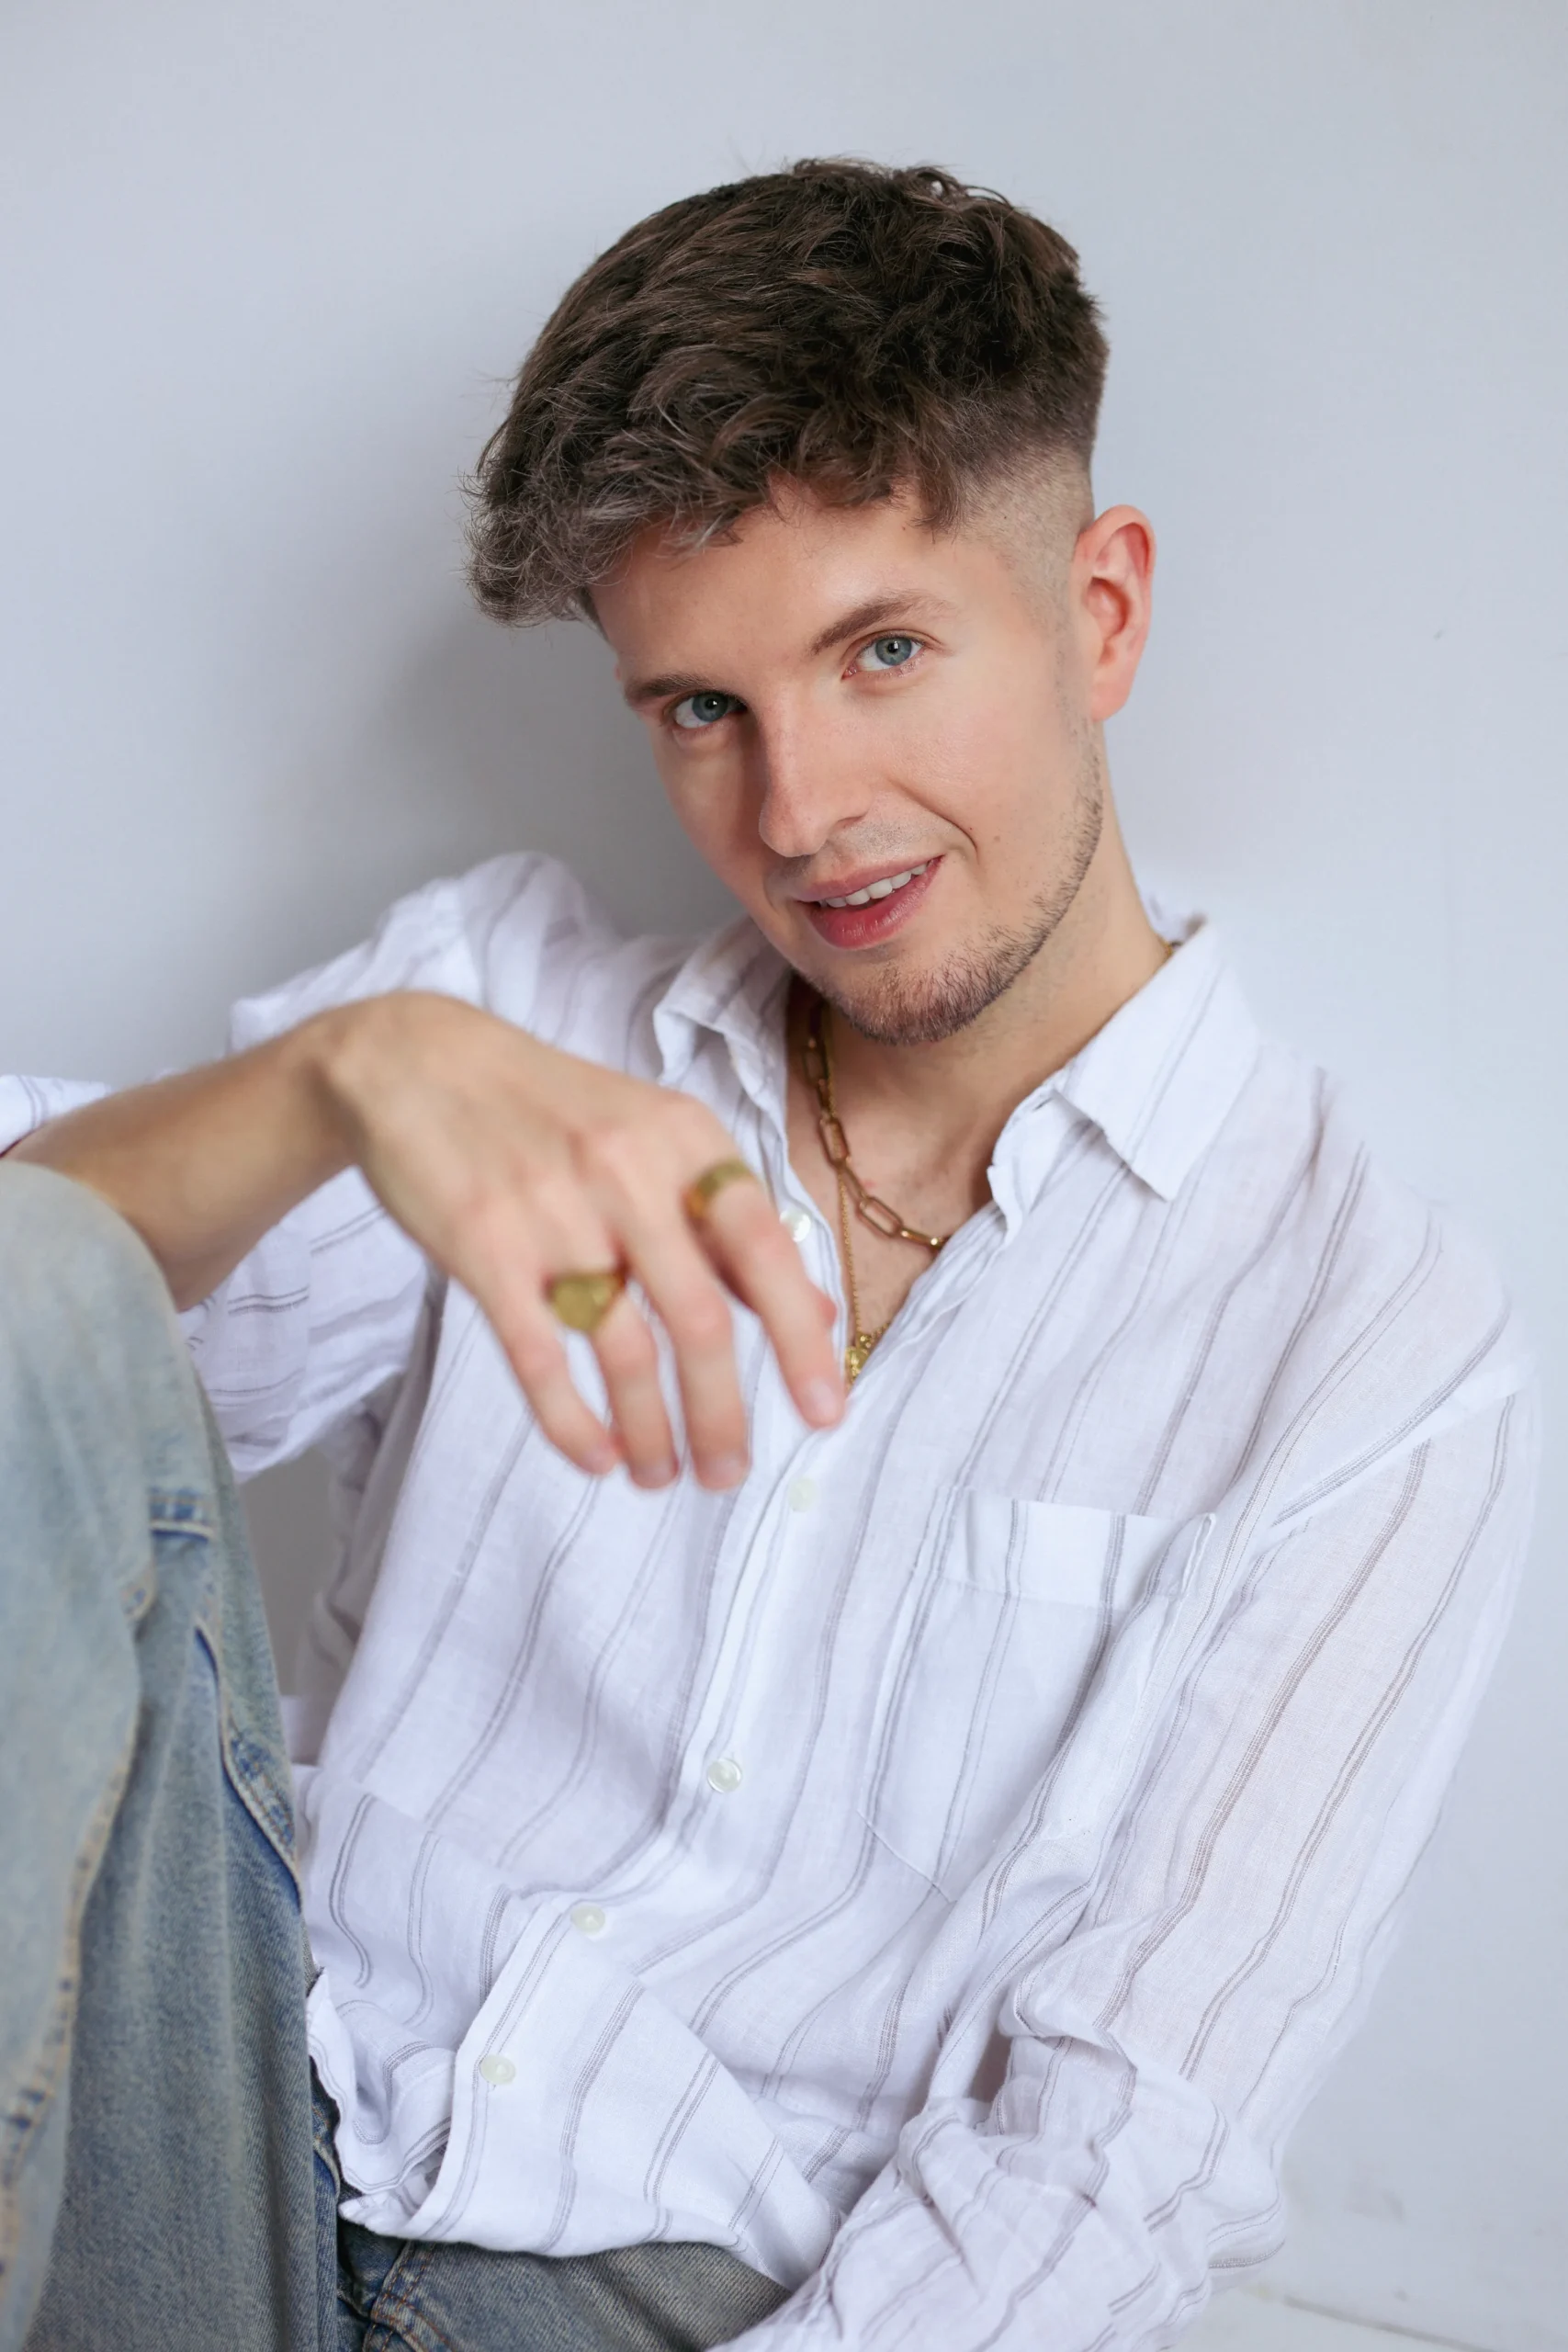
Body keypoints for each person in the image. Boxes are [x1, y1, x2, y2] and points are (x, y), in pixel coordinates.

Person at [0, 159, 1535, 2352]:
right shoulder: (506, 1017)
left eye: (880, 651)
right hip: (236, 2116)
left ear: (1099, 611)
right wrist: (340, 1074)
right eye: (697, 707)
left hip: (664, 2293)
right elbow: (44, 1396)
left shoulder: (1364, 1341)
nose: (798, 810)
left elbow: (1110, 2153)